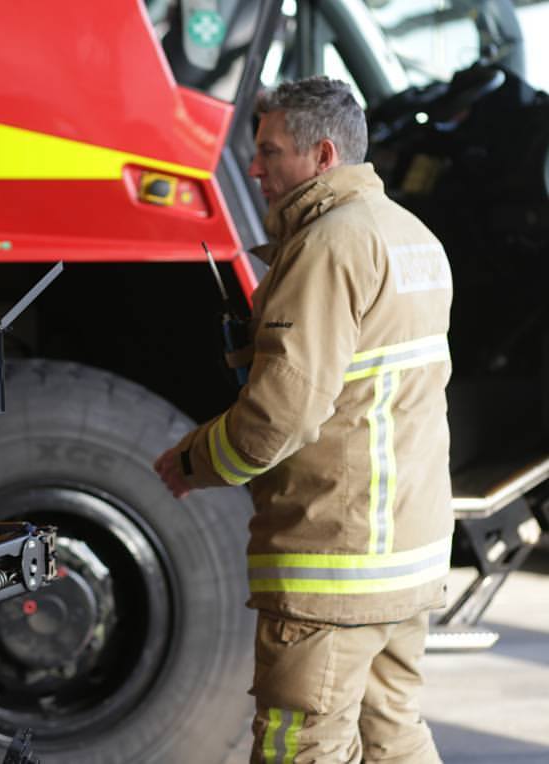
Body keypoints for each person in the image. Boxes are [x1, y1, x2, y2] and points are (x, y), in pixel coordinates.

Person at [154, 77, 453, 763]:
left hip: (336, 560)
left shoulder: (327, 246)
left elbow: (279, 416)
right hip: (406, 555)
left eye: (270, 151)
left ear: (321, 156)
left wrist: (193, 462)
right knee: (393, 737)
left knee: (302, 748)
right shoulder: (411, 236)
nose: (255, 168)